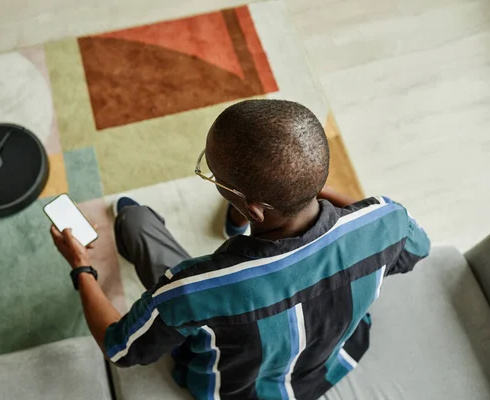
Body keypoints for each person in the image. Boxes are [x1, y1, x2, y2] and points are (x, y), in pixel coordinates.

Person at [50, 99, 431, 400]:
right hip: (335, 361)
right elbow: (419, 250)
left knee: (134, 224)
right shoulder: (387, 221)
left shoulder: (190, 290)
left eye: (212, 174)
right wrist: (313, 194)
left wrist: (80, 266)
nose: (211, 175)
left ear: (253, 209)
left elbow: (120, 349)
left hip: (237, 390)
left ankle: (132, 216)